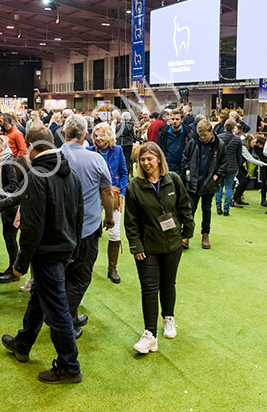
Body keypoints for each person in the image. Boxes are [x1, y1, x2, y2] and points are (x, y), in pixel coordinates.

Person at [0, 126, 84, 385]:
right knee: (40, 297)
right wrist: (74, 249)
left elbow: (32, 225)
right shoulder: (70, 173)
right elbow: (79, 214)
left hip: (46, 253)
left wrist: (20, 263)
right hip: (63, 248)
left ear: (31, 145)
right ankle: (23, 343)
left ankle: (69, 366)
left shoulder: (36, 175)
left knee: (57, 311)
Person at [124, 142, 194, 354]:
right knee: (148, 288)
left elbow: (184, 207)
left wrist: (187, 232)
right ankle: (150, 334)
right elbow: (131, 221)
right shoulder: (134, 187)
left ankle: (169, 318)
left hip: (173, 244)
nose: (145, 163)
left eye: (149, 159)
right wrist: (136, 246)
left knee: (168, 284)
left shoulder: (174, 180)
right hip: (147, 248)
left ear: (158, 159)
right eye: (142, 160)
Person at [60, 114, 114, 338]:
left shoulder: (53, 157)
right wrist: (109, 217)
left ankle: (68, 317)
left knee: (62, 274)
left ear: (64, 133)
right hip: (87, 228)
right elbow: (106, 193)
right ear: (85, 135)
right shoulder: (96, 160)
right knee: (81, 276)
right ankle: (66, 320)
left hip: (58, 229)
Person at [89, 123, 128, 284]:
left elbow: (124, 172)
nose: (98, 138)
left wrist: (122, 193)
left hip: (114, 194)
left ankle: (112, 268)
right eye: (96, 135)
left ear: (109, 135)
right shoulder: (89, 151)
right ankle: (87, 265)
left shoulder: (117, 150)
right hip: (93, 195)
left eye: (101, 135)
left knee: (115, 232)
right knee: (91, 231)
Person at [181, 120, 227, 249]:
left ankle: (205, 235)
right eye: (200, 135)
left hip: (209, 183)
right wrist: (188, 173)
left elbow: (223, 165)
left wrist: (214, 178)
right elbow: (185, 158)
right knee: (190, 210)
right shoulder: (193, 142)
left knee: (206, 210)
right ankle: (186, 236)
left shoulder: (220, 145)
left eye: (204, 135)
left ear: (211, 132)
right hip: (193, 182)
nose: (202, 138)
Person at [0, 135, 21, 283]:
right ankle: (13, 268)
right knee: (9, 238)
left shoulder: (7, 163)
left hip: (11, 207)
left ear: (3, 147)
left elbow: (14, 185)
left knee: (10, 239)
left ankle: (14, 270)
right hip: (6, 206)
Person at [214, 120, 242, 216]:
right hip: (232, 165)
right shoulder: (237, 140)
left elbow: (216, 154)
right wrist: (237, 167)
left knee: (219, 187)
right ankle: (226, 209)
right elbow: (239, 156)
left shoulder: (218, 137)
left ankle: (218, 207)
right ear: (234, 127)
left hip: (220, 166)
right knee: (229, 187)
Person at [157, 108, 192, 181]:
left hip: (181, 169)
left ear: (181, 120)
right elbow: (159, 150)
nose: (174, 121)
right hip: (167, 168)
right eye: (172, 119)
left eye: (177, 119)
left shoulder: (188, 134)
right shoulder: (163, 133)